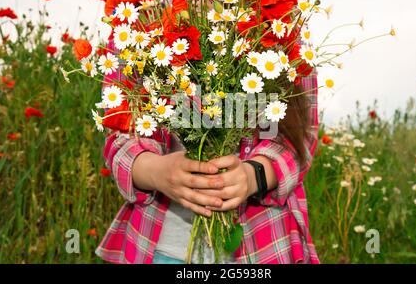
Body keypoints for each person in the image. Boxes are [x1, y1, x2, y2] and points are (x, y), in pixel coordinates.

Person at [95, 67, 320, 264]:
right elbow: (120, 131)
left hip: (263, 246)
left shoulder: (286, 29)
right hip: (159, 246)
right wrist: (158, 171)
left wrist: (254, 175)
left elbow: (301, 134)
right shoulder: (139, 25)